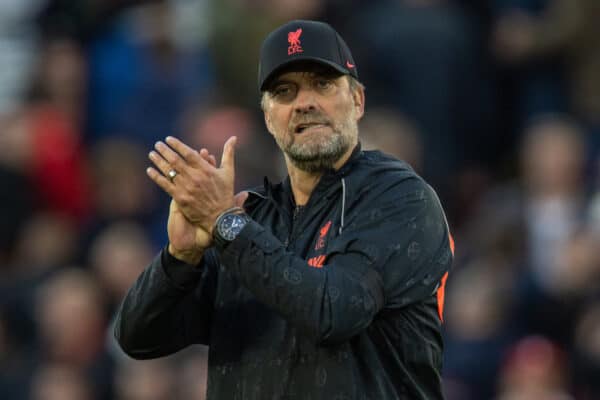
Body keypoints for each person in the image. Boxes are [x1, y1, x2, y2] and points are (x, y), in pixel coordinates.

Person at [114, 20, 454, 399]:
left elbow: (334, 312)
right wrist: (180, 257)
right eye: (284, 91)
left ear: (358, 101)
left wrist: (226, 224)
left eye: (322, 84)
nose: (304, 102)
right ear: (268, 118)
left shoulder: (400, 198)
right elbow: (137, 337)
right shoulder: (251, 218)